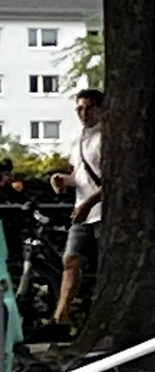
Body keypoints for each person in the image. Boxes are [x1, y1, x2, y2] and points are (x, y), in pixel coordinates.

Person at [54, 88, 103, 326]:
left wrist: (89, 203)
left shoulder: (106, 138)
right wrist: (62, 179)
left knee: (105, 265)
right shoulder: (78, 139)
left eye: (88, 107)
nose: (83, 113)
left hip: (102, 211)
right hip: (82, 212)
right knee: (71, 260)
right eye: (79, 109)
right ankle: (60, 317)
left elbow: (115, 180)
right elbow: (80, 175)